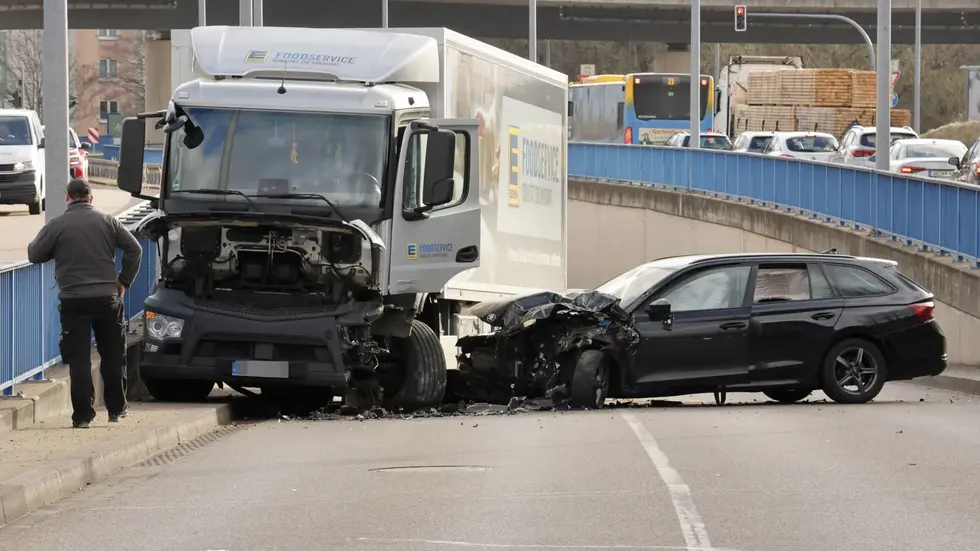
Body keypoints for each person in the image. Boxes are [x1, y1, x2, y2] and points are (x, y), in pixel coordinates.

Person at [27, 178, 143, 429]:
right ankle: (115, 409)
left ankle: (82, 416)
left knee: (78, 359)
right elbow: (135, 249)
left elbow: (34, 255)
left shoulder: (56, 225)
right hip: (107, 299)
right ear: (91, 198)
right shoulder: (108, 221)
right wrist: (123, 281)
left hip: (73, 301)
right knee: (113, 354)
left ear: (68, 198)